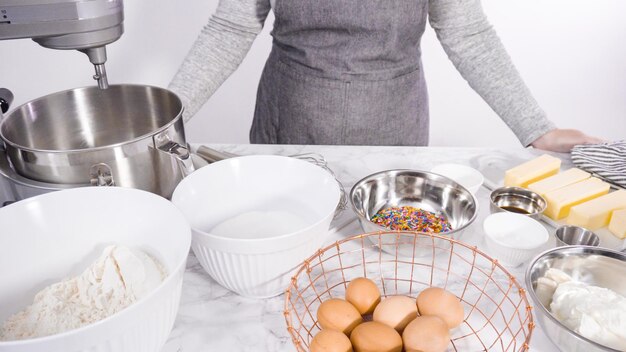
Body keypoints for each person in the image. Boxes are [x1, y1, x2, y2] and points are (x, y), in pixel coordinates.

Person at [169, 0, 601, 152]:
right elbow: (233, 25)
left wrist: (537, 128)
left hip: (394, 128)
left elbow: (466, 31)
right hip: (291, 122)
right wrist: (160, 120)